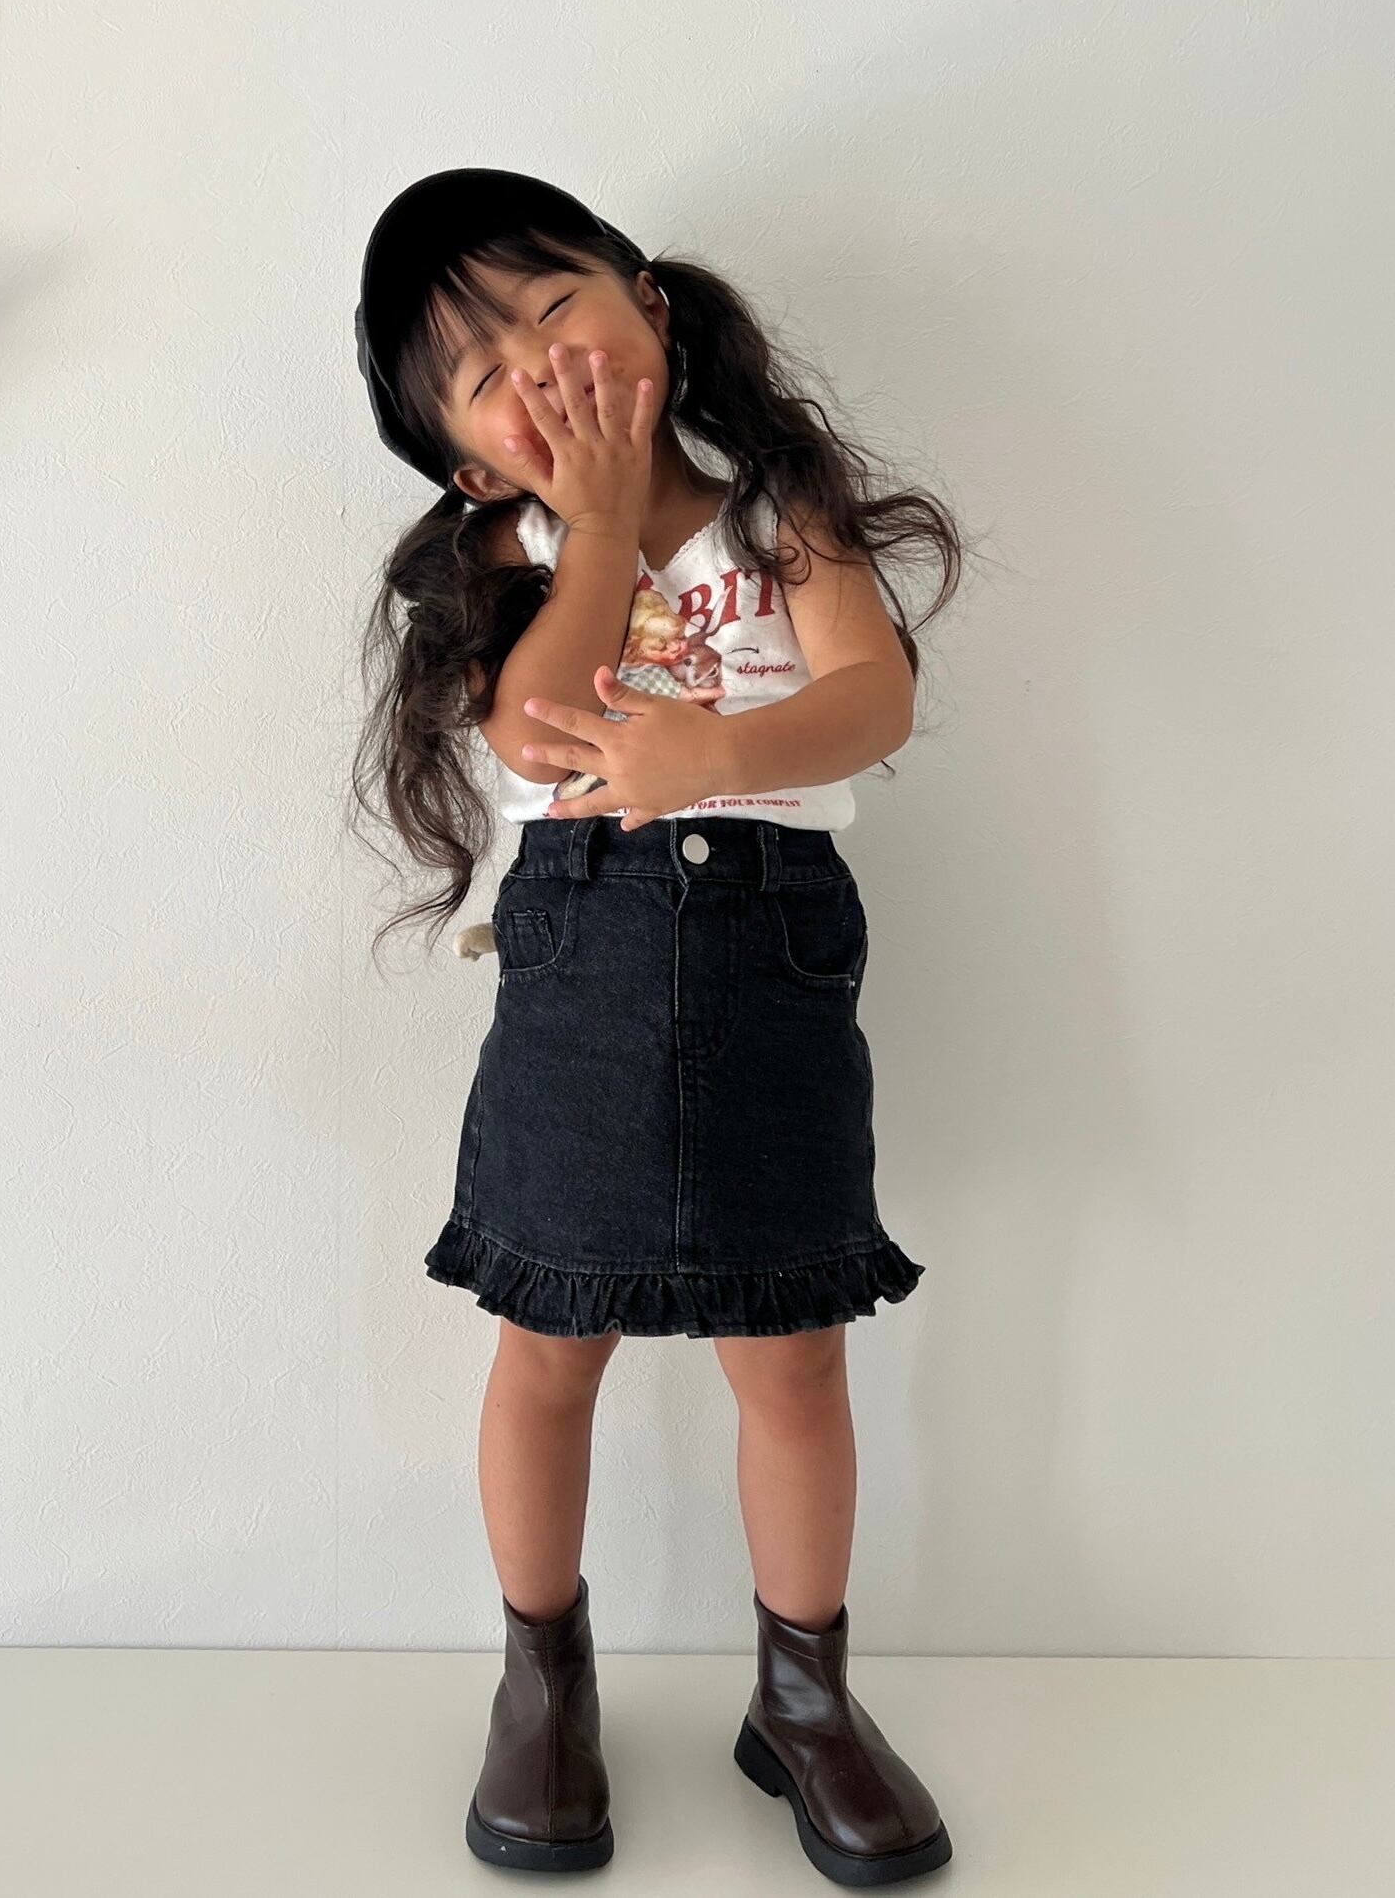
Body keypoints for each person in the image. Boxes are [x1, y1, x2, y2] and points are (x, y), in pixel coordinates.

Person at [351, 167, 963, 1885]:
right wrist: (606, 517)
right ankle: (541, 1683)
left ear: (654, 312)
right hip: (584, 967)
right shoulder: (511, 552)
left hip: (776, 959)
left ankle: (805, 1700)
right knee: (549, 1346)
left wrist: (718, 753)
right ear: (472, 466)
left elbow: (874, 694)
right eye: (486, 372)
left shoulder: (780, 503)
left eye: (556, 307)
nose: (540, 364)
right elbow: (540, 732)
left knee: (797, 1351)